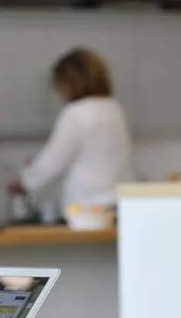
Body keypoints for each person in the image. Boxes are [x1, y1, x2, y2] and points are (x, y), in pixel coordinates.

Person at [9, 47, 133, 212]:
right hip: (119, 203)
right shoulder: (114, 108)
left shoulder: (75, 113)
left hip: (86, 208)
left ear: (68, 83)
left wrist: (25, 182)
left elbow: (52, 162)